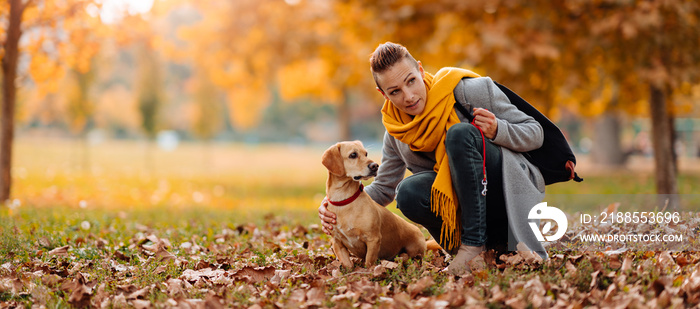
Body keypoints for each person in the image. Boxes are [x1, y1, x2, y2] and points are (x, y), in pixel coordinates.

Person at [318, 42, 548, 275]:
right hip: (463, 215)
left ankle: (474, 246)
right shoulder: (397, 131)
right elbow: (383, 189)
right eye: (395, 91)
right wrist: (335, 204)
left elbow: (536, 133)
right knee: (407, 192)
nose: (408, 97)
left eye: (411, 81)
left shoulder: (470, 91)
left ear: (420, 69)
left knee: (459, 134)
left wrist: (498, 129)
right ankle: (467, 247)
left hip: (503, 198)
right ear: (383, 94)